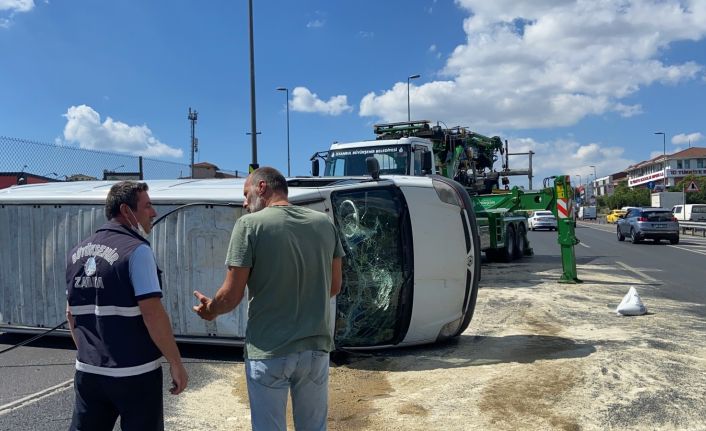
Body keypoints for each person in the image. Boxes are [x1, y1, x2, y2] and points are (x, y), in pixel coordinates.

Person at [193, 167, 344, 431]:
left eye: (245, 193)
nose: (244, 202)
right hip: (315, 348)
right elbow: (334, 286)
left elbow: (231, 296)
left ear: (261, 187)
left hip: (269, 350)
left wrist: (211, 310)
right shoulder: (324, 223)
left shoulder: (249, 225)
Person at [66, 181, 188, 431]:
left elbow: (71, 314)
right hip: (135, 373)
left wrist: (91, 353)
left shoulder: (76, 253)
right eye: (147, 205)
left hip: (89, 372)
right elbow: (152, 313)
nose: (153, 212)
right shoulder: (137, 251)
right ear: (126, 210)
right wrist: (176, 363)